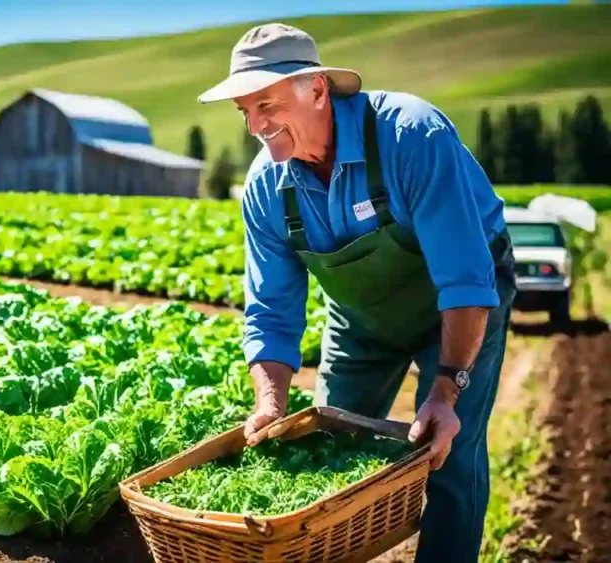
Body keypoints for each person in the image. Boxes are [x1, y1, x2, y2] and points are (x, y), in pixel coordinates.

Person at [197, 23, 517, 563]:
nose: (255, 126)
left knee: (448, 454)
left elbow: (465, 279)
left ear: (317, 89)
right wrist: (271, 403)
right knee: (329, 452)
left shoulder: (410, 137)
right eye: (244, 111)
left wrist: (445, 391)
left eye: (266, 104)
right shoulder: (266, 188)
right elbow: (271, 312)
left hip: (461, 307)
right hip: (361, 319)